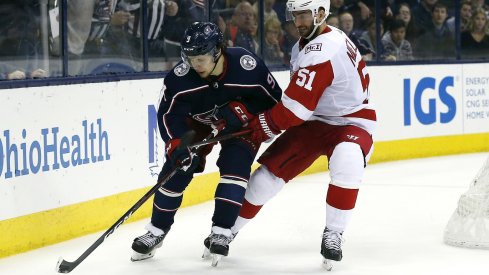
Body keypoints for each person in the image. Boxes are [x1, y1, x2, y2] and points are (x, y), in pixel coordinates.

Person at [229, 0, 376, 269]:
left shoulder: (323, 50)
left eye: (304, 15)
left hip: (352, 122)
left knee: (348, 159)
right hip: (314, 122)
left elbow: (294, 110)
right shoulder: (306, 45)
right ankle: (228, 230)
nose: (298, 23)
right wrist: (266, 121)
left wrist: (261, 126)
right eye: (295, 16)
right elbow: (299, 102)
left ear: (321, 13)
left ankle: (334, 233)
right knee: (265, 178)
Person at [130, 22, 282, 265]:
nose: (194, 65)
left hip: (239, 128)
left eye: (200, 58)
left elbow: (275, 100)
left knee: (236, 168)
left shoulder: (246, 66)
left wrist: (247, 110)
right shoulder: (180, 78)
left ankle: (221, 232)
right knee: (175, 171)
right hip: (196, 125)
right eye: (189, 58)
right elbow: (168, 115)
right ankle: (156, 231)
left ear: (218, 51)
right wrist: (178, 143)